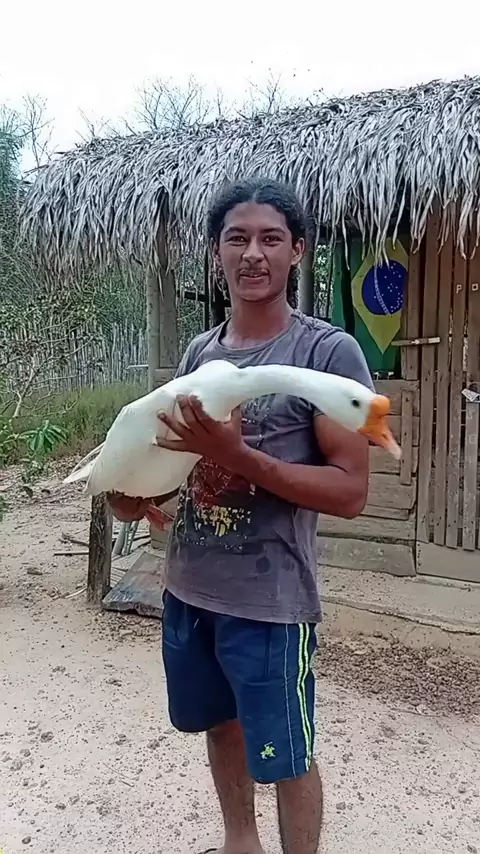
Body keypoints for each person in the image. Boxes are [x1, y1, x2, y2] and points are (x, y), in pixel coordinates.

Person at [108, 177, 374, 854]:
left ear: (297, 252)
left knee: (286, 753)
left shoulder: (326, 355)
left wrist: (240, 456)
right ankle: (239, 843)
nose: (253, 253)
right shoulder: (201, 353)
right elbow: (181, 464)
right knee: (220, 725)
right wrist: (138, 496)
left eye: (270, 239)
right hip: (191, 588)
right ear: (216, 251)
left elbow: (350, 492)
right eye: (238, 238)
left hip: (272, 601)